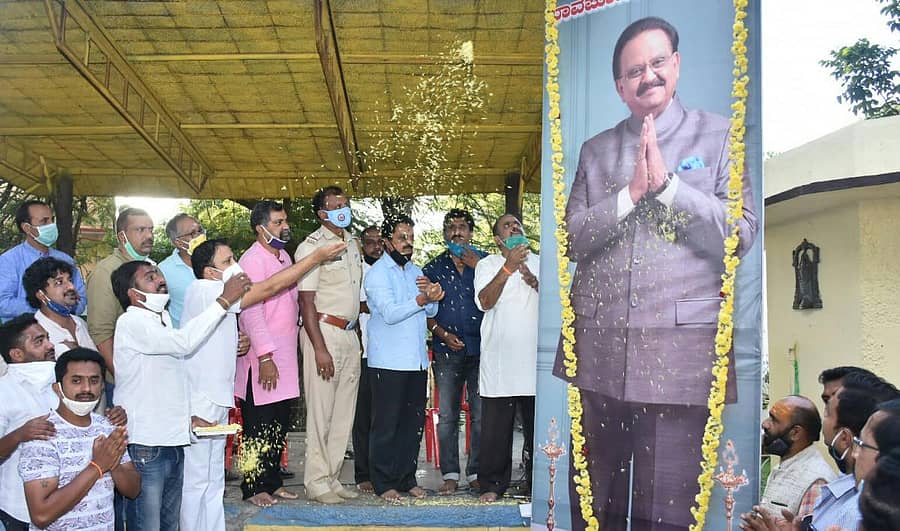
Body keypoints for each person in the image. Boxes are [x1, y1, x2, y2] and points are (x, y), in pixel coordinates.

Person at [551, 16, 759, 531]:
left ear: (677, 64)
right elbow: (571, 239)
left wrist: (668, 187)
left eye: (658, 63)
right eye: (635, 70)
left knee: (665, 513)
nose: (649, 76)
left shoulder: (718, 134)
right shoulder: (596, 150)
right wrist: (631, 195)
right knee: (591, 507)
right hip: (597, 352)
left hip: (682, 355)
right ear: (620, 86)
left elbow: (740, 234)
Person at [179, 237, 345, 529]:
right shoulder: (205, 289)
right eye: (227, 261)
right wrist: (315, 258)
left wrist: (236, 343)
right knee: (197, 482)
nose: (236, 266)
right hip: (201, 399)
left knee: (213, 480)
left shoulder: (216, 292)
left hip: (216, 396)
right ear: (210, 272)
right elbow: (268, 289)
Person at [110, 260, 250, 530]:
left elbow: (168, 382)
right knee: (147, 525)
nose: (160, 279)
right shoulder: (131, 322)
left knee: (169, 524)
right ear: (134, 294)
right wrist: (224, 300)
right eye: (150, 277)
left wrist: (190, 417)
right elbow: (184, 343)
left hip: (173, 441)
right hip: (147, 445)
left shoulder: (160, 321)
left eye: (159, 273)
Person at [365, 215, 444, 501]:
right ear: (387, 242)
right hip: (387, 361)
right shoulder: (377, 274)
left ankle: (406, 478)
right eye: (401, 237)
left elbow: (430, 314)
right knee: (387, 425)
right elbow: (389, 313)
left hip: (416, 360)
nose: (408, 242)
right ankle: (383, 483)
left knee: (411, 425)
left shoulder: (416, 272)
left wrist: (433, 297)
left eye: (410, 236)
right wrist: (422, 300)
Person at [17, 348, 140, 530]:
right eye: (76, 381)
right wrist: (97, 466)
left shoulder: (108, 428)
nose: (87, 389)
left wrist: (112, 465)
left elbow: (133, 490)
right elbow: (41, 515)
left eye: (94, 380)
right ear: (57, 388)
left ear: (102, 386)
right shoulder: (43, 434)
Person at [294, 187, 363, 504]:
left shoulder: (352, 242)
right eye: (335, 207)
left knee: (342, 413)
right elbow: (306, 302)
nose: (342, 210)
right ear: (322, 214)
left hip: (349, 334)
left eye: (345, 205)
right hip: (322, 331)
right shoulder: (311, 247)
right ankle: (316, 481)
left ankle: (332, 476)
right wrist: (319, 348)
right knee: (321, 411)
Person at [236, 200, 302, 506]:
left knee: (277, 423)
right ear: (260, 228)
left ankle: (272, 482)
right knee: (258, 425)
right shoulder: (252, 260)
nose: (284, 227)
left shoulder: (285, 256)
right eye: (277, 223)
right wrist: (264, 356)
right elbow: (251, 312)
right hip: (264, 357)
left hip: (285, 353)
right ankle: (253, 487)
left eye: (284, 221)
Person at [474, 214, 539, 503]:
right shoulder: (487, 264)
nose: (515, 228)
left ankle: (536, 483)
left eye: (518, 225)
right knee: (496, 429)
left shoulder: (541, 262)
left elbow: (560, 303)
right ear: (498, 239)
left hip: (535, 362)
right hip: (500, 361)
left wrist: (535, 282)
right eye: (507, 226)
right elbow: (485, 302)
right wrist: (509, 268)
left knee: (537, 428)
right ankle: (492, 484)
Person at [422, 209, 486, 495]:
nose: (457, 232)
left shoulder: (486, 262)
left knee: (481, 413)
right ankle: (450, 474)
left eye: (462, 227)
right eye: (451, 228)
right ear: (445, 233)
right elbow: (424, 309)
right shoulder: (433, 268)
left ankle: (476, 472)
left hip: (483, 349)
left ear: (471, 232)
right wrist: (443, 335)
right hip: (446, 350)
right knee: (447, 415)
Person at [86, 207, 155, 406]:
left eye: (151, 229)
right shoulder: (105, 273)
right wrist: (124, 378)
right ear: (122, 236)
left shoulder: (151, 267)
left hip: (152, 374)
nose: (149, 235)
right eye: (140, 230)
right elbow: (101, 333)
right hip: (124, 380)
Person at [0, 315, 58, 531]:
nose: (50, 345)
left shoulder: (62, 383)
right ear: (17, 354)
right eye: (39, 341)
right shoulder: (3, 391)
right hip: (19, 510)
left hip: (65, 506)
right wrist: (19, 435)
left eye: (48, 338)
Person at [0, 200, 86, 323]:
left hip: (65, 330)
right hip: (24, 335)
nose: (51, 225)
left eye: (52, 219)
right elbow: (3, 304)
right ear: (27, 228)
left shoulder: (65, 260)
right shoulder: (9, 261)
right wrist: (47, 306)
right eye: (44, 221)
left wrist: (68, 308)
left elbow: (81, 298)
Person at [759, 395, 836, 518]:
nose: (765, 424)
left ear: (795, 433)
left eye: (773, 419)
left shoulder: (816, 481)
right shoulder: (785, 465)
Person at [352, 225, 382, 494]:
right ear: (362, 245)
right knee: (364, 418)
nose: (376, 246)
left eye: (379, 240)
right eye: (370, 242)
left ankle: (384, 471)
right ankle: (363, 473)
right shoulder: (357, 270)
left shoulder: (391, 269)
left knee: (383, 418)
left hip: (387, 355)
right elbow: (354, 304)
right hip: (363, 353)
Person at [24, 258, 97, 356]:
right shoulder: (34, 334)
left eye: (70, 280)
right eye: (59, 282)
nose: (71, 287)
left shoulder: (80, 323)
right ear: (41, 294)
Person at [157, 214, 205, 328]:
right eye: (193, 233)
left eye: (200, 230)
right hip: (185, 341)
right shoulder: (164, 270)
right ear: (178, 242)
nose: (199, 236)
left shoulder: (218, 259)